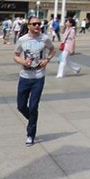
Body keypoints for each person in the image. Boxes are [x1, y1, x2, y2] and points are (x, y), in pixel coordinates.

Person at [14, 17, 56, 145]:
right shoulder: (22, 40)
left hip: (38, 78)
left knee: (33, 106)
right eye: (34, 24)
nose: (37, 26)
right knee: (21, 106)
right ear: (29, 26)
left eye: (39, 24)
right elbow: (15, 55)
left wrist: (47, 60)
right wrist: (23, 61)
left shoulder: (44, 39)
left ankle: (30, 134)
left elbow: (53, 50)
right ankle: (32, 119)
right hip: (24, 77)